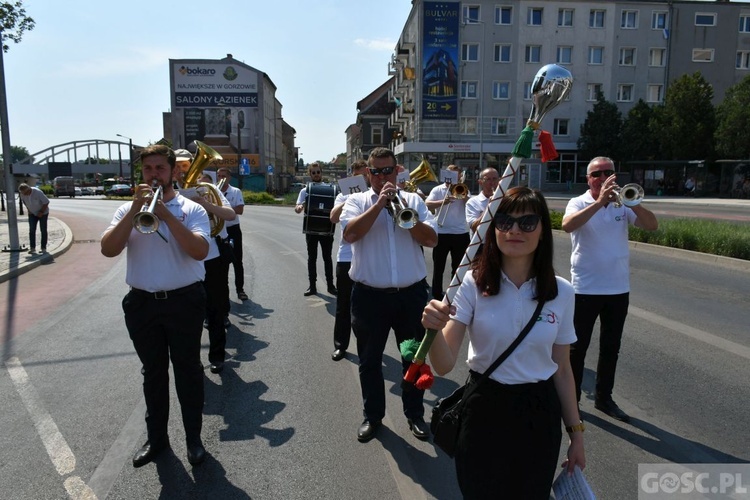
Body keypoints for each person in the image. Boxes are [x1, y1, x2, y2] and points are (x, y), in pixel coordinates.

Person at [422, 187, 585, 498]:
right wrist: (431, 329)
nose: (514, 230)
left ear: (542, 230)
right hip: (485, 407)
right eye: (505, 221)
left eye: (527, 223)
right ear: (493, 228)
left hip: (539, 412)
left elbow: (562, 370)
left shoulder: (562, 292)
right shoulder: (471, 283)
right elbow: (443, 365)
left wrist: (576, 435)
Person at [100, 144, 210, 468]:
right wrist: (137, 209)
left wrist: (165, 216)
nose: (154, 175)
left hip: (184, 301)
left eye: (160, 169)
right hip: (142, 304)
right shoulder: (127, 210)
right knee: (153, 374)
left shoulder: (192, 210)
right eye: (148, 170)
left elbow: (199, 251)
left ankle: (194, 439)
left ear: (173, 170)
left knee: (188, 372)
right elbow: (108, 249)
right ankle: (157, 440)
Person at [340, 147, 437, 442]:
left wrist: (404, 217)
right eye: (376, 172)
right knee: (369, 360)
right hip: (370, 298)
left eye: (388, 171)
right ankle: (373, 417)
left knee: (413, 358)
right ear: (368, 174)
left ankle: (415, 414)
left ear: (397, 171)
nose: (382, 177)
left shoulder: (414, 201)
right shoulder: (355, 201)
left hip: (410, 296)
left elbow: (431, 239)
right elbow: (350, 234)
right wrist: (379, 204)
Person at [562, 156, 658, 422]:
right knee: (576, 349)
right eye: (597, 174)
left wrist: (633, 203)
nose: (603, 178)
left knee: (610, 347)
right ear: (588, 178)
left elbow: (652, 225)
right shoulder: (578, 202)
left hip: (617, 289)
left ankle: (605, 399)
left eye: (609, 172)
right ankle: (572, 400)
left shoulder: (623, 203)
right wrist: (599, 202)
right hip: (585, 288)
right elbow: (567, 225)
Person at [191, 172, 237, 373]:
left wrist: (205, 204)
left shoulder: (209, 190)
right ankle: (192, 360)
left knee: (215, 310)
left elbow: (230, 215)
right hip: (187, 259)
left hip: (213, 257)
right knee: (190, 314)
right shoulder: (171, 194)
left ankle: (217, 355)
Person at [328, 159, 369, 362]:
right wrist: (349, 199)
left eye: (364, 175)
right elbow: (334, 217)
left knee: (367, 307)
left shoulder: (374, 196)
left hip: (368, 256)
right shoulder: (342, 195)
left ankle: (367, 347)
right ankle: (340, 345)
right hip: (346, 257)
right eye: (357, 175)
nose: (361, 178)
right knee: (343, 305)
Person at [425, 165, 470, 300]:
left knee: (458, 268)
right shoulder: (438, 189)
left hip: (460, 234)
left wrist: (463, 196)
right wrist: (442, 202)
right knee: (438, 266)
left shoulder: (463, 189)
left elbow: (471, 204)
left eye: (457, 174)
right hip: (442, 233)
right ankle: (437, 294)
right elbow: (427, 204)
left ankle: (455, 294)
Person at [294, 162, 336, 296]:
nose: (316, 174)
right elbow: (297, 207)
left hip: (326, 229)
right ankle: (312, 286)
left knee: (327, 258)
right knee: (312, 258)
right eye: (313, 172)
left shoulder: (330, 189)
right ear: (309, 174)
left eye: (318, 172)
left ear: (321, 173)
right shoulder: (305, 190)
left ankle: (330, 285)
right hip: (311, 229)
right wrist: (299, 208)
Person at [217, 167, 248, 301]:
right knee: (220, 263)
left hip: (233, 229)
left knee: (237, 260)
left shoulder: (235, 191)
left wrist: (222, 210)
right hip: (218, 230)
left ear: (229, 178)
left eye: (223, 176)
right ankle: (222, 292)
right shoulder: (213, 191)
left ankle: (240, 290)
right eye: (219, 176)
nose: (221, 178)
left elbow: (240, 210)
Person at [464, 167, 500, 235]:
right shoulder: (472, 202)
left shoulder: (505, 199)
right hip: (481, 243)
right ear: (480, 182)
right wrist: (490, 206)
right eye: (488, 179)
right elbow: (474, 227)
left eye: (494, 179)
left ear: (499, 180)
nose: (492, 182)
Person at [18, 183, 50, 254]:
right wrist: (28, 209)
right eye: (23, 193)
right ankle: (32, 248)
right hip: (32, 213)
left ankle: (43, 248)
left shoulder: (37, 192)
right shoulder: (22, 194)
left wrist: (41, 212)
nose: (24, 194)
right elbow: (24, 201)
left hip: (43, 213)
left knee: (43, 229)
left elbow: (46, 202)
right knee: (32, 230)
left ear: (29, 189)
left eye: (26, 193)